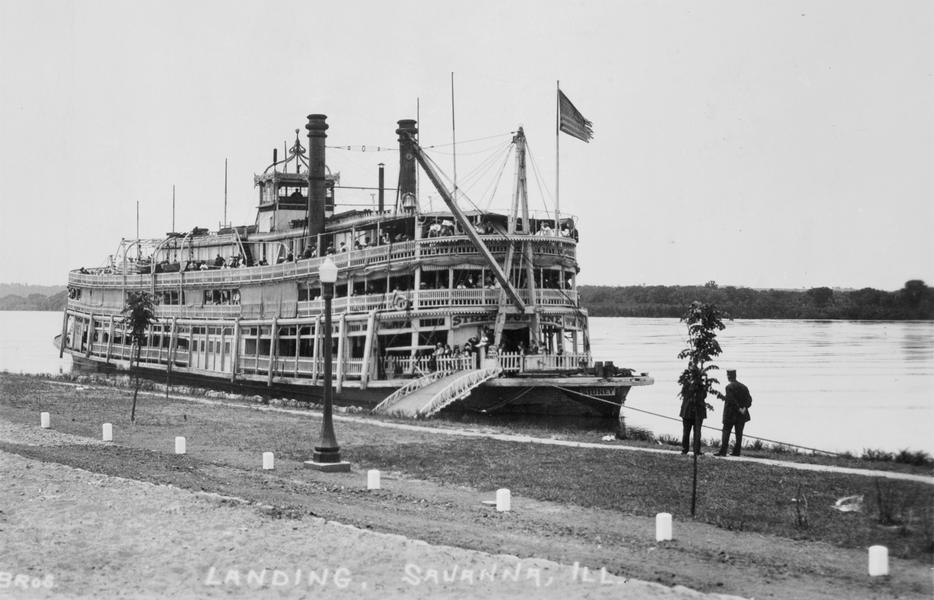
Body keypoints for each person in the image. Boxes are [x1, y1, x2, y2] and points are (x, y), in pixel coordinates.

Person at [714, 369, 753, 456]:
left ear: (728, 376)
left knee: (726, 431)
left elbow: (731, 400)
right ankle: (737, 452)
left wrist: (738, 408)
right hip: (742, 415)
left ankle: (723, 451)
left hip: (730, 414)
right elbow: (749, 400)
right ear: (735, 376)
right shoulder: (744, 387)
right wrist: (744, 408)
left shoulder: (729, 387)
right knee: (739, 433)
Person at [679, 367, 714, 455]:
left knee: (688, 432)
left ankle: (686, 449)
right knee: (694, 432)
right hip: (693, 412)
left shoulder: (688, 384)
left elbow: (701, 396)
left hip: (688, 411)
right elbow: (703, 396)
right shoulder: (697, 385)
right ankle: (694, 450)